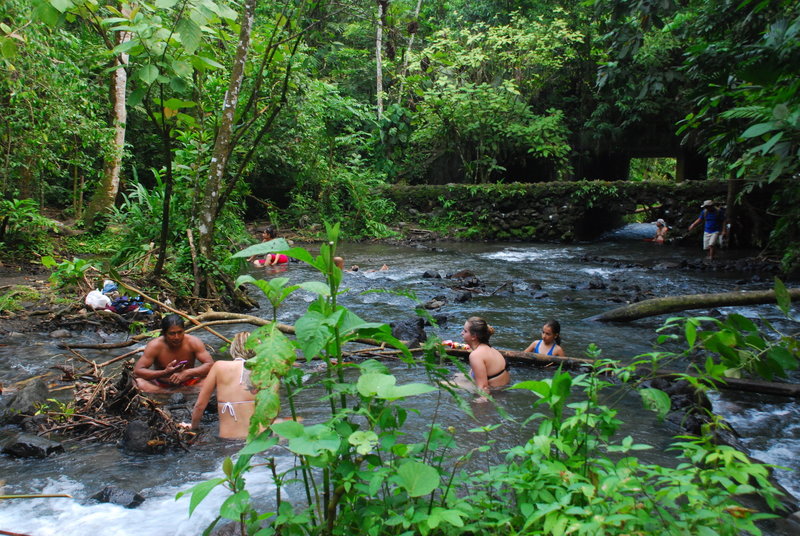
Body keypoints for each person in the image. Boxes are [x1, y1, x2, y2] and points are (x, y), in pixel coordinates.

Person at [185, 332, 264, 439]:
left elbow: (200, 406)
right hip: (259, 439)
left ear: (234, 348)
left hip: (228, 440)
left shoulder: (219, 367)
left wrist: (194, 428)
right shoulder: (263, 370)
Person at [134, 314, 214, 393]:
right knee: (138, 382)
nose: (177, 337)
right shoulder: (155, 346)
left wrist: (187, 372)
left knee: (214, 377)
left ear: (184, 331)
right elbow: (138, 371)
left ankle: (169, 393)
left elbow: (210, 365)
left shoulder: (193, 342)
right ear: (164, 333)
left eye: (180, 332)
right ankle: (171, 392)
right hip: (161, 385)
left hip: (189, 383)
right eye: (172, 333)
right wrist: (164, 372)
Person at [461, 316, 510, 392]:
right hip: (503, 387)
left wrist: (479, 402)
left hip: (495, 391)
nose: (462, 333)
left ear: (474, 336)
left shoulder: (476, 355)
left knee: (440, 385)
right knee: (457, 376)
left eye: (465, 331)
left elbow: (483, 387)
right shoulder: (490, 349)